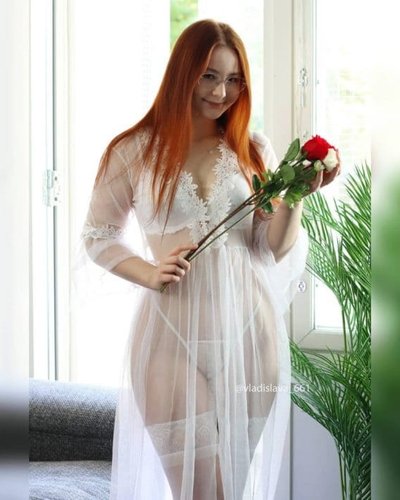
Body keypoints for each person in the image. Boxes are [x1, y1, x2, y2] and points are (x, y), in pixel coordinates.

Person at [82, 19, 340, 500]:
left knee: (233, 490)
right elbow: (98, 236)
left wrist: (297, 197)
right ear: (183, 72)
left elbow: (272, 247)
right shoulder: (133, 151)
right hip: (170, 340)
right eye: (209, 76)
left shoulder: (252, 149)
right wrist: (149, 272)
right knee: (203, 492)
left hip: (251, 338)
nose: (222, 92)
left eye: (234, 79)